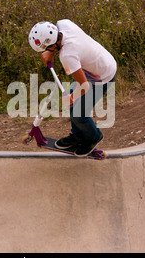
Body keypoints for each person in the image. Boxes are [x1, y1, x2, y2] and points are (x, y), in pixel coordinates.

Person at [28, 19, 117, 156]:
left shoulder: (67, 55)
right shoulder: (64, 24)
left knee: (78, 113)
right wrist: (51, 53)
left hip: (103, 76)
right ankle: (78, 137)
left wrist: (71, 99)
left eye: (46, 49)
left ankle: (93, 138)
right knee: (73, 102)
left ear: (52, 44)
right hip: (102, 62)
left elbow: (84, 86)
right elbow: (56, 40)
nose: (46, 52)